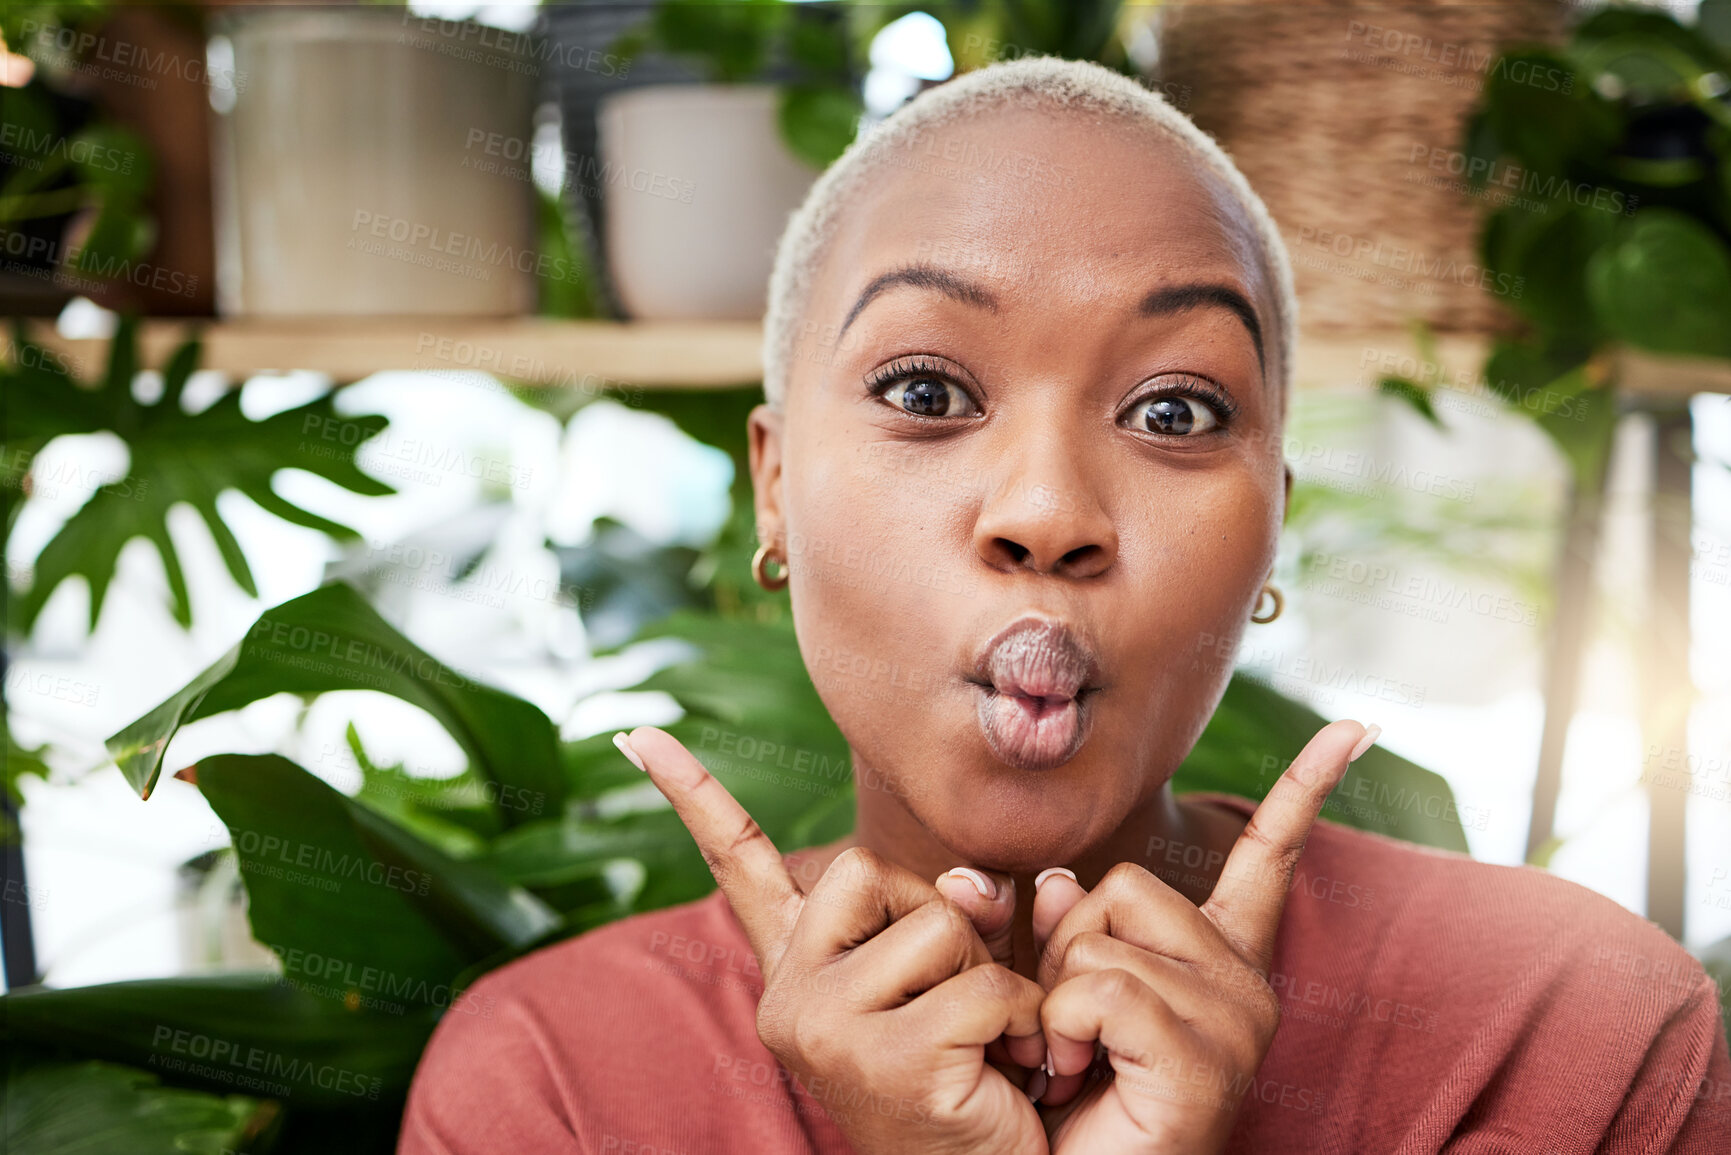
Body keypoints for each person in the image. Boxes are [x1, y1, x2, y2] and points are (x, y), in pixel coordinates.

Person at [398, 56, 1731, 1154]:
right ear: (776, 491)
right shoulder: (551, 1089)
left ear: (1274, 515)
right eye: (927, 393)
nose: (1046, 512)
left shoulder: (1570, 1038)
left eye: (1174, 411)